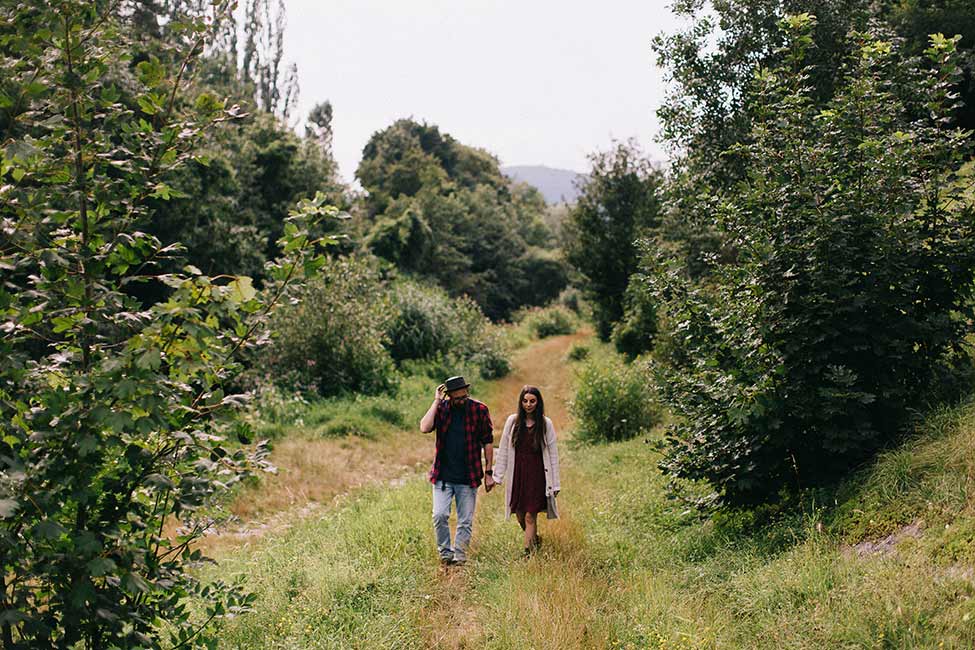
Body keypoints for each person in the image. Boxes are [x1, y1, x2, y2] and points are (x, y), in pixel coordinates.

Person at [419, 375, 495, 567]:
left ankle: (460, 557)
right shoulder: (442, 409)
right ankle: (445, 553)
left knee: (465, 521)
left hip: (468, 476)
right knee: (439, 515)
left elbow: (487, 441)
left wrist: (488, 473)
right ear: (449, 396)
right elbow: (424, 427)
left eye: (464, 396)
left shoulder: (479, 410)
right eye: (457, 398)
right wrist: (436, 401)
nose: (462, 400)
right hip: (443, 476)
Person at [490, 385, 560, 556]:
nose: (528, 404)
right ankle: (534, 539)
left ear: (538, 403)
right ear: (521, 402)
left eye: (532, 401)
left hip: (537, 475)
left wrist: (555, 484)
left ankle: (528, 554)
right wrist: (496, 476)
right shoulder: (513, 422)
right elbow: (504, 450)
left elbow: (553, 455)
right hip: (518, 474)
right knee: (520, 514)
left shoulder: (545, 424)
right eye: (525, 401)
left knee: (530, 515)